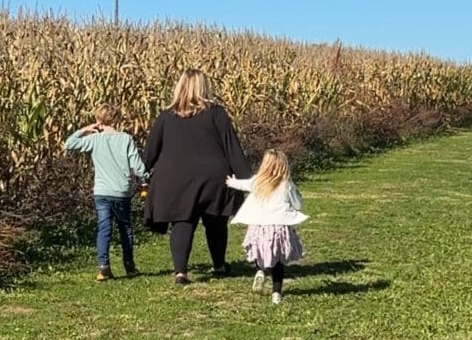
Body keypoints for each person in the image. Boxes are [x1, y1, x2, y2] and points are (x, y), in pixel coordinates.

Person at [142, 69, 251, 285]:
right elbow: (232, 148)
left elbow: (151, 151)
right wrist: (248, 180)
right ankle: (219, 264)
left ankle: (181, 272)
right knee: (216, 221)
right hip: (214, 176)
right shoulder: (216, 113)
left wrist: (140, 173)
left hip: (174, 178)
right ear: (204, 87)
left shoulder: (166, 116)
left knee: (182, 221)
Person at [64, 103, 146, 279]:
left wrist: (85, 129)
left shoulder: (95, 139)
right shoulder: (126, 139)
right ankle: (129, 266)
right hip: (121, 191)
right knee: (125, 228)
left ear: (98, 120)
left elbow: (69, 144)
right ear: (117, 119)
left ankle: (103, 266)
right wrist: (145, 177)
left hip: (101, 192)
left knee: (104, 228)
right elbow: (137, 166)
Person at [226, 147, 308, 305]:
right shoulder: (286, 185)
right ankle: (276, 294)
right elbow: (297, 204)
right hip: (279, 227)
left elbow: (242, 185)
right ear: (284, 166)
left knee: (260, 251)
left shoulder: (257, 182)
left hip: (260, 226)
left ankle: (260, 271)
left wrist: (231, 181)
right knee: (278, 261)